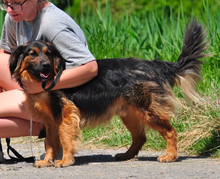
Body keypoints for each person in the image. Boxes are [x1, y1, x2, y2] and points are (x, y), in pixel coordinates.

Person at [0, 0, 98, 139]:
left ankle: (55, 129)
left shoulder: (52, 24)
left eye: (16, 2)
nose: (9, 9)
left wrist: (42, 86)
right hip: (36, 87)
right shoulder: (15, 16)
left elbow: (90, 68)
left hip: (61, 98)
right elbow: (6, 56)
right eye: (5, 2)